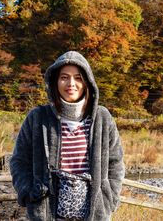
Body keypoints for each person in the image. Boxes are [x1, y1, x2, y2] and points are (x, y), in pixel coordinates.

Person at [10, 51, 125, 221]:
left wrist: (109, 199)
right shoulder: (38, 118)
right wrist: (27, 191)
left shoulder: (102, 118)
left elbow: (115, 163)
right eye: (64, 77)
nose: (71, 83)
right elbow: (19, 161)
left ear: (87, 82)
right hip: (47, 215)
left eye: (78, 78)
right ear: (55, 81)